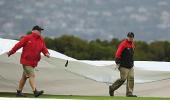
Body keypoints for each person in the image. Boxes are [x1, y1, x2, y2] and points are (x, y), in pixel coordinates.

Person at [7, 25, 50, 97]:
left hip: (34, 62)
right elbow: (18, 45)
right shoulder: (27, 37)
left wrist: (46, 53)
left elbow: (43, 48)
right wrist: (11, 52)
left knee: (24, 77)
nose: (40, 32)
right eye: (39, 30)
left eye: (40, 31)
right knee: (32, 75)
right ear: (34, 31)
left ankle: (19, 92)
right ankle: (35, 91)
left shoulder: (41, 39)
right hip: (26, 61)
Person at [109, 32, 137, 97]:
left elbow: (131, 55)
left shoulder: (133, 44)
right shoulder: (123, 44)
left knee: (131, 78)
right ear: (127, 37)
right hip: (123, 65)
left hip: (130, 66)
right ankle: (112, 88)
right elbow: (118, 54)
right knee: (123, 79)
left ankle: (129, 93)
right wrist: (117, 63)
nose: (130, 38)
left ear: (133, 38)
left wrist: (132, 63)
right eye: (129, 37)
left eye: (131, 37)